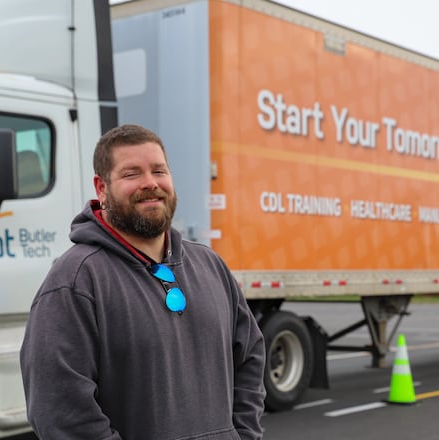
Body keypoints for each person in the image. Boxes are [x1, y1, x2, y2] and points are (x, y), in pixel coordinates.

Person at [20, 124, 266, 439]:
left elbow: (250, 358)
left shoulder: (211, 266)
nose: (150, 183)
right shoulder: (76, 280)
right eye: (132, 174)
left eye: (159, 171)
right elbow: (60, 410)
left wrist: (242, 434)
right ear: (102, 187)